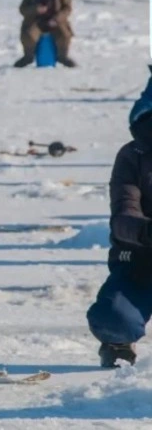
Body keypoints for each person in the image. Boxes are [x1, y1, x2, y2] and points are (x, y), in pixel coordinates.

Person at [86, 68, 152, 368]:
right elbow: (124, 215)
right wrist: (147, 232)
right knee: (114, 318)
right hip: (142, 261)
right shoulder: (133, 155)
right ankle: (117, 342)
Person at [14, 0, 75, 68]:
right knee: (28, 35)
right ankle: (28, 57)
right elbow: (23, 9)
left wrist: (57, 19)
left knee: (65, 35)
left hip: (55, 22)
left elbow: (67, 8)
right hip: (36, 22)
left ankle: (62, 57)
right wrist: (36, 10)